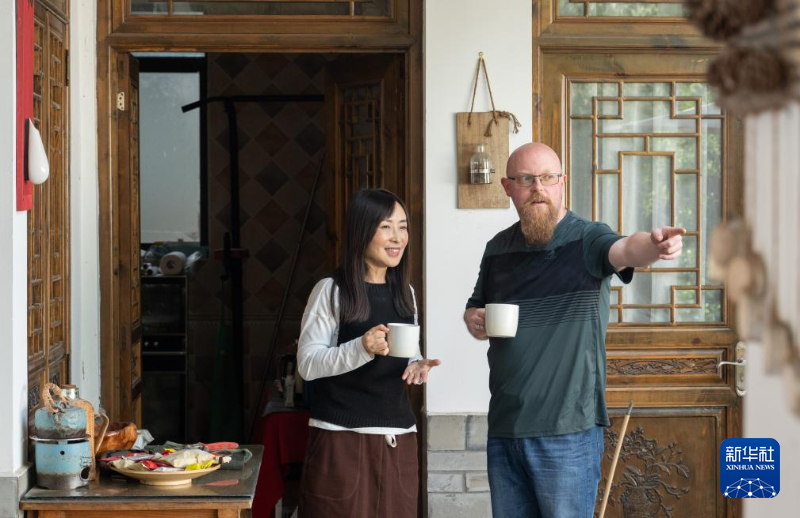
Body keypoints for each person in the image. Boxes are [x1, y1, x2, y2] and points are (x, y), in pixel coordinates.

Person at [463, 143, 685, 518]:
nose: (539, 188)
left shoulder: (587, 240)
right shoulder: (497, 249)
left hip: (567, 432)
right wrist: (473, 319)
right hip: (504, 428)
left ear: (562, 183)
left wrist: (654, 245)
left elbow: (626, 250)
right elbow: (475, 306)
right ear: (507, 187)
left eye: (548, 178)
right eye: (527, 180)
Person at [296, 188, 441, 518]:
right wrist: (360, 347)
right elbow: (307, 363)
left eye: (403, 227)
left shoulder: (406, 293)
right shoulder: (332, 290)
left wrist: (417, 365)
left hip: (398, 437)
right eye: (386, 226)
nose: (397, 237)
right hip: (341, 440)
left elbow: (405, 353)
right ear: (363, 230)